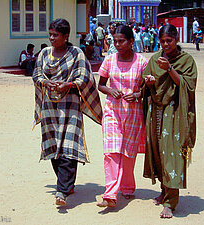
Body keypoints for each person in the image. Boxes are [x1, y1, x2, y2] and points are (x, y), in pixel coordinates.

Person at [32, 18, 103, 206]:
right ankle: (67, 185)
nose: (51, 38)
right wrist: (46, 82)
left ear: (65, 36)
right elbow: (37, 74)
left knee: (69, 147)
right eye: (50, 34)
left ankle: (62, 191)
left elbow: (86, 78)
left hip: (70, 107)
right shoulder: (45, 54)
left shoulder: (76, 54)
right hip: (50, 108)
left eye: (56, 35)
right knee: (54, 146)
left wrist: (69, 84)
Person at [142, 24, 197, 218]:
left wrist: (171, 69)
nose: (165, 44)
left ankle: (170, 203)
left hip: (175, 112)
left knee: (172, 153)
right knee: (158, 152)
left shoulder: (186, 60)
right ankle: (164, 191)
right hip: (156, 111)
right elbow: (146, 83)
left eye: (169, 41)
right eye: (162, 41)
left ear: (176, 39)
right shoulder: (155, 59)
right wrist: (148, 81)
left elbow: (188, 86)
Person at [97, 25, 148, 208]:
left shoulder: (142, 62)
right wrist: (110, 90)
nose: (117, 44)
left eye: (121, 41)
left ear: (131, 41)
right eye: (115, 41)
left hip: (133, 113)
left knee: (127, 152)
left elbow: (148, 87)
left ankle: (127, 187)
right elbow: (100, 84)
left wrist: (136, 95)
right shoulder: (109, 60)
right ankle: (110, 193)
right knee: (111, 151)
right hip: (112, 111)